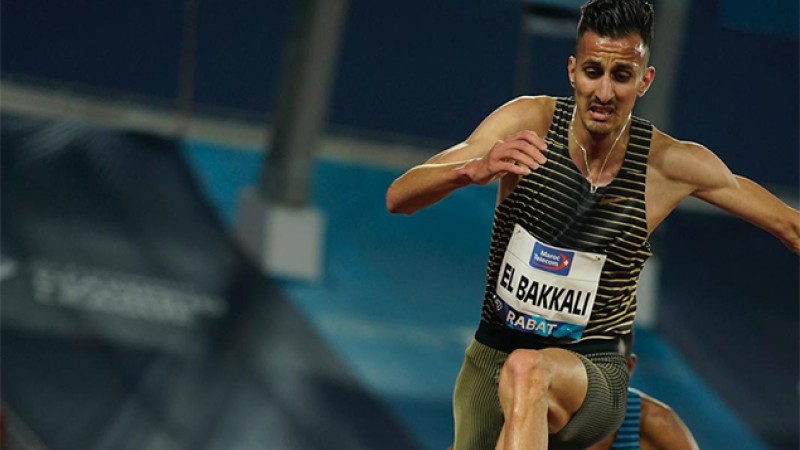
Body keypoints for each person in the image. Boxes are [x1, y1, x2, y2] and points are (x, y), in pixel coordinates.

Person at [385, 0, 800, 449]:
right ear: (572, 71)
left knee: (528, 370)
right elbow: (399, 198)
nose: (604, 92)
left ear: (644, 80)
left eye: (621, 76)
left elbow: (789, 226)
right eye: (592, 72)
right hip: (493, 356)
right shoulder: (528, 123)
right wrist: (472, 170)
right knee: (518, 370)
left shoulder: (669, 165)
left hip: (593, 370)